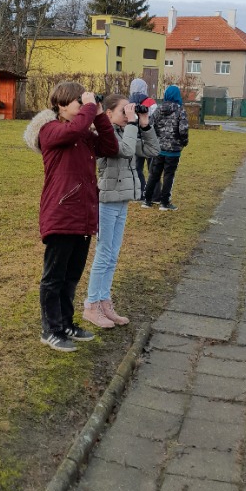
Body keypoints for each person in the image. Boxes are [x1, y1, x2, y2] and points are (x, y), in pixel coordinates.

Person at [24, 81, 119, 352]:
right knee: (54, 277)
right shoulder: (50, 130)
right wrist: (90, 109)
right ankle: (50, 329)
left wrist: (99, 115)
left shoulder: (82, 132)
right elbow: (74, 130)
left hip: (83, 214)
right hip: (61, 213)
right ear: (61, 105)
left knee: (72, 275)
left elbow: (110, 147)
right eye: (79, 101)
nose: (83, 105)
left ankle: (66, 324)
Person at [83, 94, 159, 328]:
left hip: (122, 199)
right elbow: (125, 150)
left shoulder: (125, 132)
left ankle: (104, 301)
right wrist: (133, 123)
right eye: (123, 111)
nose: (128, 114)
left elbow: (153, 149)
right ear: (108, 114)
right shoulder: (103, 136)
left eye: (129, 110)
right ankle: (91, 305)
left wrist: (144, 124)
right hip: (107, 201)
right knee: (104, 253)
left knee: (113, 254)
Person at [141, 84, 189, 212]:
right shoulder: (180, 110)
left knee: (154, 174)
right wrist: (183, 142)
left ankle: (147, 200)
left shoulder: (158, 109)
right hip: (173, 151)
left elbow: (150, 125)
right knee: (169, 175)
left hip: (158, 148)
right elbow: (183, 130)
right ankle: (164, 202)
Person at [128, 77, 158, 201]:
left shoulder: (128, 103)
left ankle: (140, 193)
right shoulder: (150, 102)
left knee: (136, 169)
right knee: (153, 170)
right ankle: (155, 195)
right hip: (149, 138)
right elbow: (155, 120)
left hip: (135, 140)